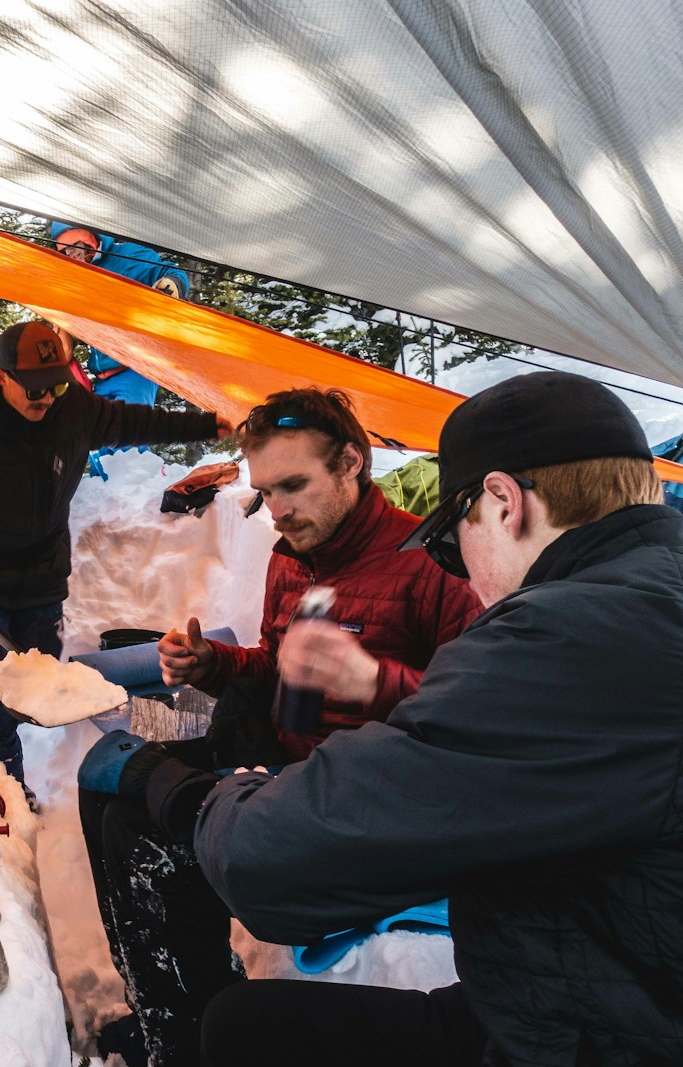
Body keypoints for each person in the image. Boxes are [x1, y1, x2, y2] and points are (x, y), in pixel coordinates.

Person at [138, 371, 683, 1066]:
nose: (460, 570)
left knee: (245, 1030)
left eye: (451, 540)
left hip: (647, 1032)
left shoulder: (573, 631)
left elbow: (272, 866)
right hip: (663, 981)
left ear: (502, 503)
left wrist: (199, 791)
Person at [78, 387, 482, 1066]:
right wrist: (212, 664)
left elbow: (474, 718)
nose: (280, 510)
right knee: (106, 786)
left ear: (352, 462)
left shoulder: (430, 569)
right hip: (284, 766)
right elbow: (274, 664)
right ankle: (170, 1009)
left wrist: (372, 681)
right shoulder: (293, 556)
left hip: (365, 813)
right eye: (266, 491)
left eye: (295, 485)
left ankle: (186, 1035)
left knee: (145, 833)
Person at [0, 320, 229, 798]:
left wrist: (202, 423)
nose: (45, 400)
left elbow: (134, 420)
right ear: (1, 377)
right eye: (33, 390)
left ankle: (55, 757)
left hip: (42, 577)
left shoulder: (71, 411)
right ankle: (5, 788)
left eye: (55, 387)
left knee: (44, 675)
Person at [49, 221, 192, 407]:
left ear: (88, 239)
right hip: (102, 376)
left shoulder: (125, 255)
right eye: (63, 250)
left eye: (72, 244)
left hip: (136, 369)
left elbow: (170, 271)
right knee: (100, 432)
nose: (69, 253)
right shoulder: (76, 277)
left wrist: (172, 284)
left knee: (131, 431)